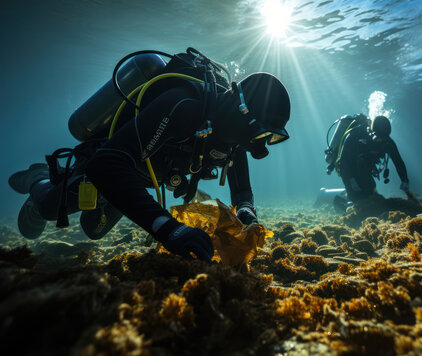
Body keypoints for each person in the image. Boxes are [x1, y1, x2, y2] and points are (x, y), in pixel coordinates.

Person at [8, 49, 291, 263]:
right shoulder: (185, 106)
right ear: (241, 112)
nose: (258, 146)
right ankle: (38, 178)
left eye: (267, 138)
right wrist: (167, 228)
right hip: (110, 159)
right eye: (261, 135)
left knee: (93, 230)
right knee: (47, 208)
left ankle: (99, 196)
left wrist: (247, 213)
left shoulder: (234, 136)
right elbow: (105, 164)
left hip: (134, 177)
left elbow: (242, 190)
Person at [335, 114, 409, 208]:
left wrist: (405, 180)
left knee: (370, 194)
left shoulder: (387, 142)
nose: (380, 141)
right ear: (371, 132)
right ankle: (340, 201)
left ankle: (346, 195)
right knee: (357, 200)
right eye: (378, 138)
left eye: (384, 138)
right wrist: (351, 180)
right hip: (348, 168)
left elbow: (398, 161)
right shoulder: (355, 136)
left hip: (365, 169)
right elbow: (343, 161)